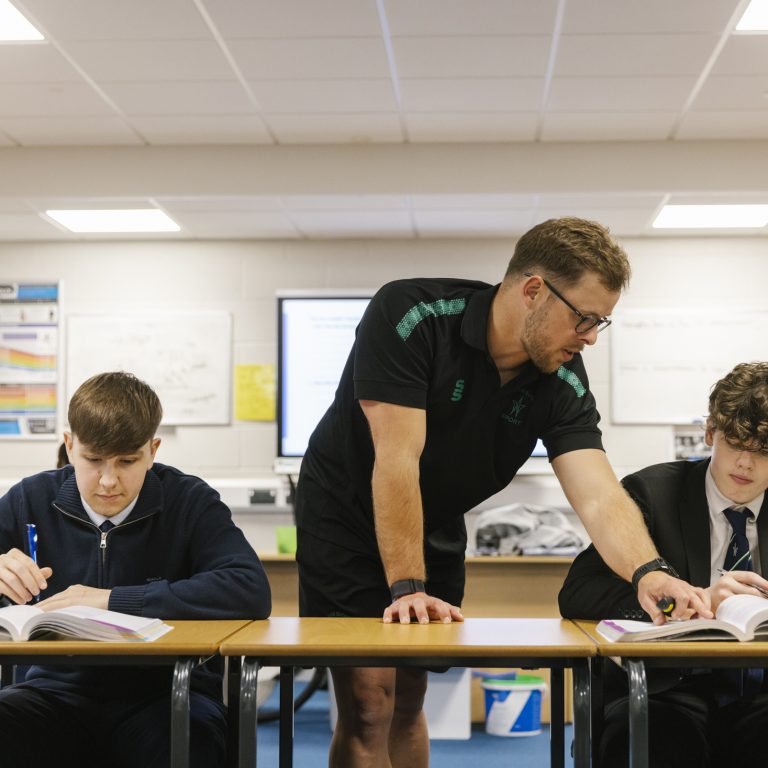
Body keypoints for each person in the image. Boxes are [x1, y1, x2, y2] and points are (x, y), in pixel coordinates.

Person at [295, 216, 711, 768]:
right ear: (533, 290)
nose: (589, 337)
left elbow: (597, 494)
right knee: (370, 702)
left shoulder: (562, 379)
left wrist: (650, 571)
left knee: (411, 696)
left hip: (433, 515)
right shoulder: (411, 316)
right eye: (583, 318)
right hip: (345, 515)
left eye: (600, 323)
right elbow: (397, 463)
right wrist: (409, 587)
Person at [0, 371, 271, 768]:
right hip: (51, 694)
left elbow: (249, 588)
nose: (109, 480)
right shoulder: (30, 498)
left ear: (153, 450)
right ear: (69, 445)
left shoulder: (189, 501)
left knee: (193, 743)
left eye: (127, 461)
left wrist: (113, 600)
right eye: (93, 460)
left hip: (166, 695)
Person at [559, 361, 768, 768]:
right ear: (710, 432)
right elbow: (577, 593)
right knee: (655, 746)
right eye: (736, 443)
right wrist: (691, 601)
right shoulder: (651, 493)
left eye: (763, 451)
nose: (745, 463)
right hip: (665, 690)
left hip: (762, 694)